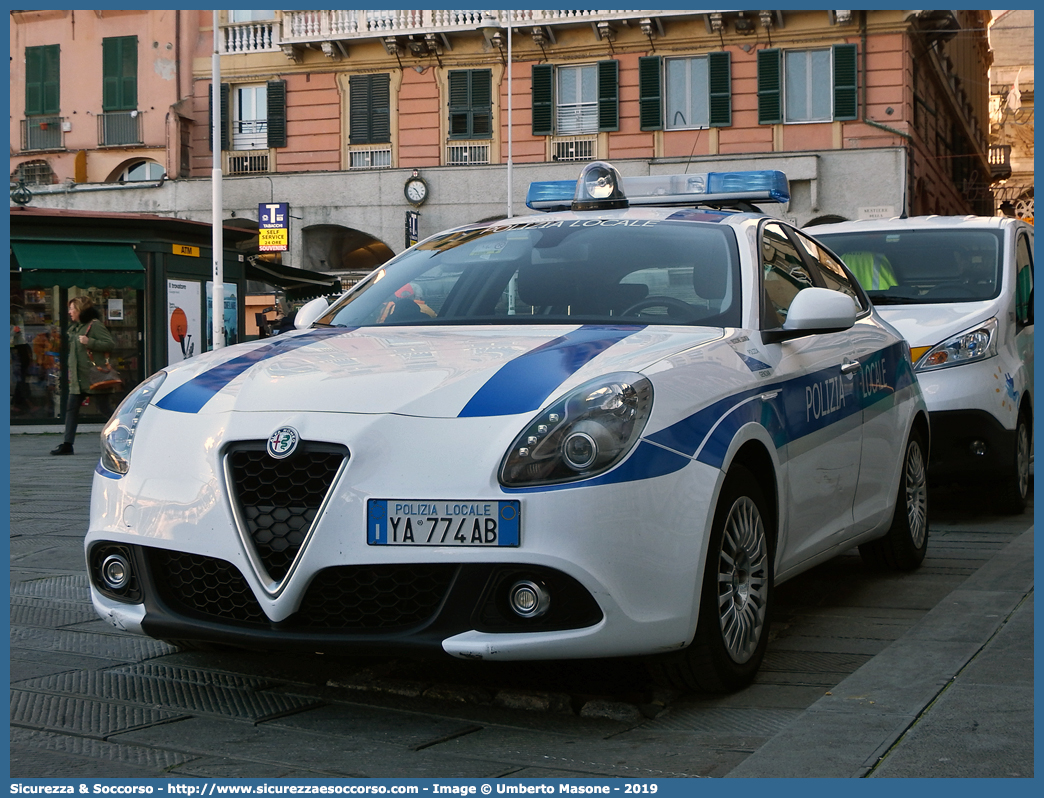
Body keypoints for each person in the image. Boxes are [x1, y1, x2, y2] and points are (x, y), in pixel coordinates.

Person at [51, 296, 115, 456]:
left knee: (104, 408)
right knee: (71, 409)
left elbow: (110, 344)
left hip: (94, 377)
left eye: (72, 309)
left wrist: (90, 342)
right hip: (78, 380)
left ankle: (124, 433)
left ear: (80, 310)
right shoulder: (76, 327)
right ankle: (67, 444)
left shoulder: (95, 325)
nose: (69, 312)